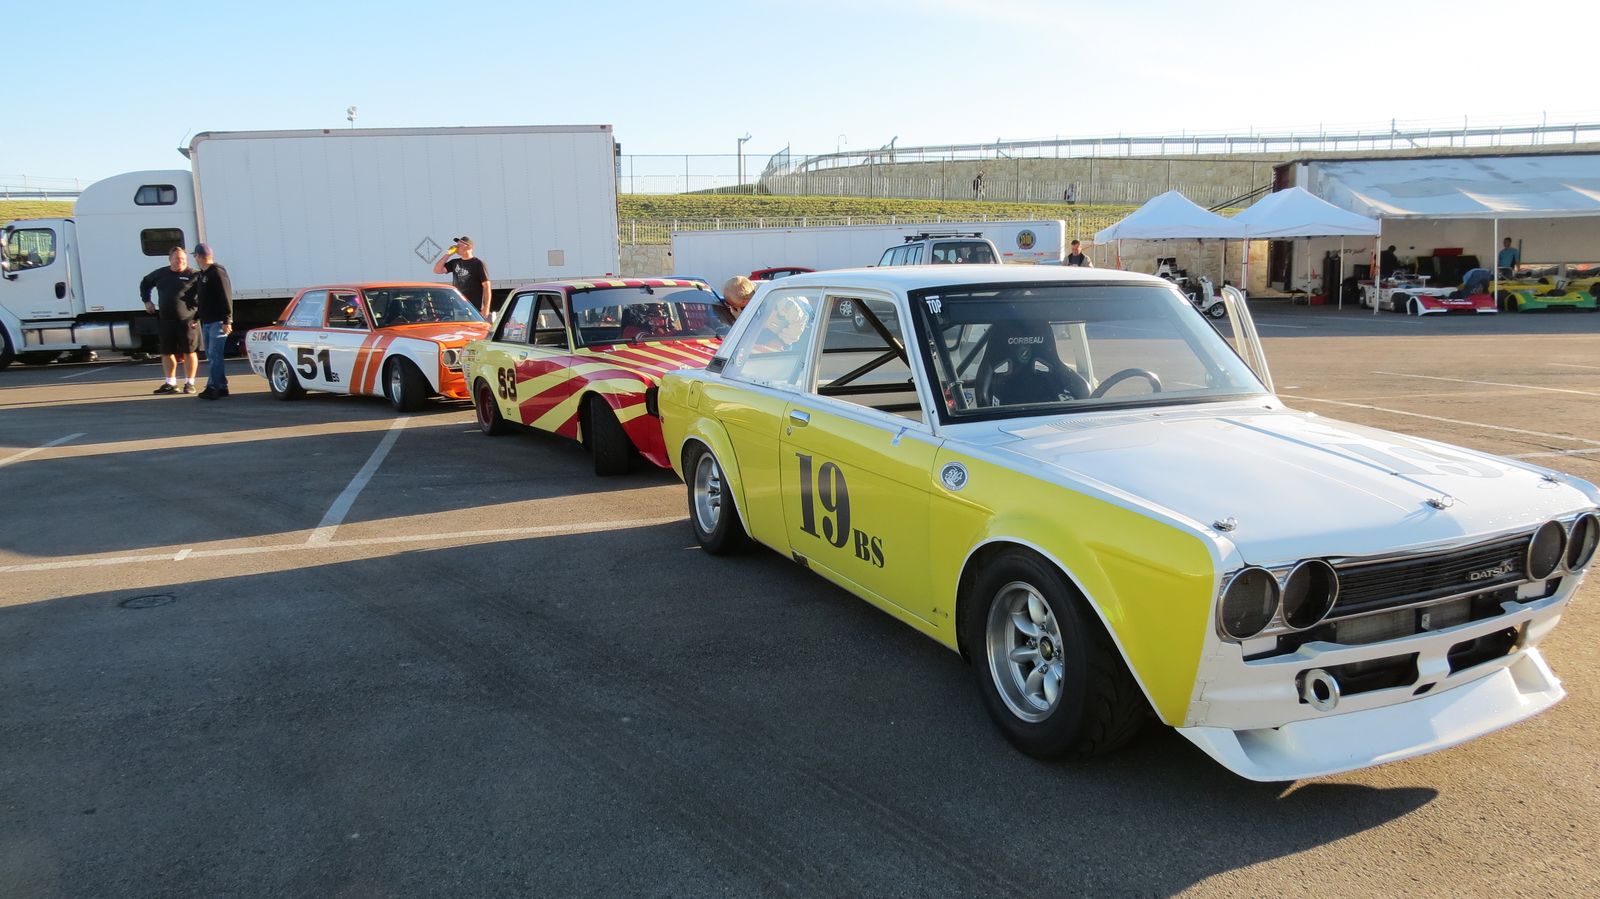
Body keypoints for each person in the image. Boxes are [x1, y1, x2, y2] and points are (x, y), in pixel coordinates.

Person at [139, 246, 199, 393]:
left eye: (183, 259)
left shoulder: (194, 275)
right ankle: (170, 383)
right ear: (170, 259)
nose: (180, 261)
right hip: (166, 320)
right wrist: (147, 301)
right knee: (167, 352)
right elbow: (145, 283)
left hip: (188, 321)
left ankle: (189, 383)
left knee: (189, 351)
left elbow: (205, 295)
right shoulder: (161, 274)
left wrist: (198, 315)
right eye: (177, 259)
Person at [190, 243, 234, 400]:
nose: (195, 259)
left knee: (215, 355)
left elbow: (225, 295)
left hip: (218, 321)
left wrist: (227, 320)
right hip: (207, 320)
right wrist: (196, 316)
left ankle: (213, 386)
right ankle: (221, 386)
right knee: (211, 355)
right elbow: (203, 300)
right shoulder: (203, 274)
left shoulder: (217, 272)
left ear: (199, 257)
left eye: (195, 256)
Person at [433, 236, 491, 317]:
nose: (457, 247)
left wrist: (486, 308)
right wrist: (448, 254)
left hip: (473, 308)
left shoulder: (478, 263)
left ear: (469, 247)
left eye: (460, 244)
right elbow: (437, 270)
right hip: (458, 307)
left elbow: (486, 286)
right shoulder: (454, 262)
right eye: (457, 244)